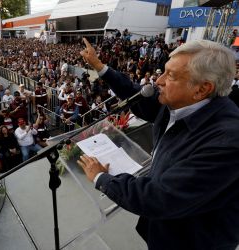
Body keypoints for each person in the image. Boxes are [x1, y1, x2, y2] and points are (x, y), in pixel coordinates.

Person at [78, 38, 239, 250]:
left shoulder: (227, 142)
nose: (158, 81)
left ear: (202, 89)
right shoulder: (181, 102)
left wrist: (102, 178)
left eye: (170, 75)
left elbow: (160, 197)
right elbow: (139, 97)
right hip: (164, 231)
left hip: (192, 241)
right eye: (163, 71)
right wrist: (100, 67)